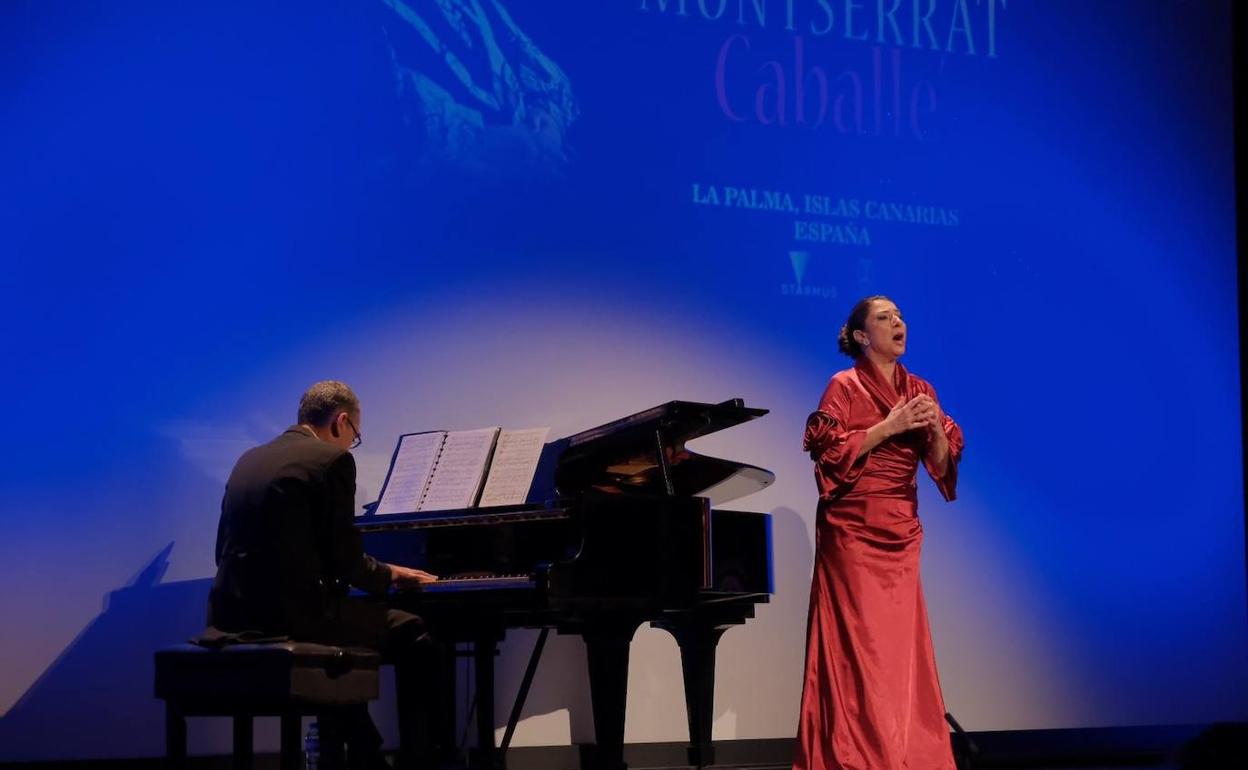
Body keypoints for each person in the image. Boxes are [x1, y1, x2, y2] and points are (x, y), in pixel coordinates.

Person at [206, 380, 442, 770]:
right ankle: (419, 761)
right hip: (289, 620)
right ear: (341, 421)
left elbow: (222, 551)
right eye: (355, 436)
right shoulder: (331, 461)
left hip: (228, 617)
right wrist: (391, 575)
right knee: (414, 632)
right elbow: (346, 563)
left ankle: (363, 751)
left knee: (341, 635)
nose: (352, 445)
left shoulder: (249, 459)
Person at [793, 296, 965, 770]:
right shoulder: (843, 386)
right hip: (851, 531)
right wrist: (889, 427)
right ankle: (859, 756)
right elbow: (826, 456)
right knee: (860, 649)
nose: (898, 323)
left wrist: (931, 434)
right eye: (884, 318)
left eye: (900, 315)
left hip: (900, 531)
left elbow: (940, 467)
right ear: (862, 337)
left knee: (899, 650)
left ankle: (904, 753)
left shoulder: (921, 389)